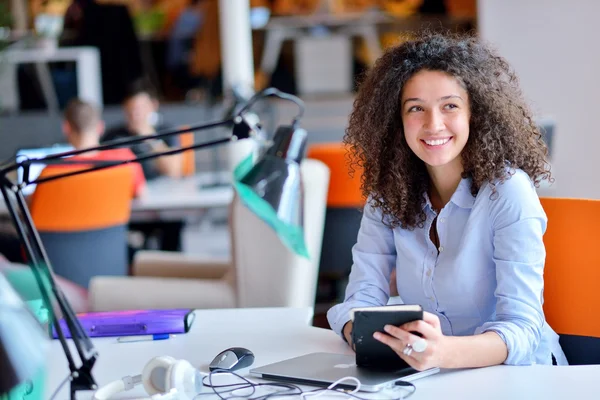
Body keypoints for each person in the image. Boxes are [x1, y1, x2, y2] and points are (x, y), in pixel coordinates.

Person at [327, 33, 567, 370]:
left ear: (475, 113)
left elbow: (523, 329)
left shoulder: (508, 192)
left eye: (450, 105)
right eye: (416, 109)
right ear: (397, 119)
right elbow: (360, 301)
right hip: (432, 375)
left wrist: (442, 353)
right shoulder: (388, 195)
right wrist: (367, 337)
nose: (433, 124)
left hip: (518, 376)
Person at [53, 98, 146, 198]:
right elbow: (140, 195)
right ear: (100, 127)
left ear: (66, 128)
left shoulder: (54, 170)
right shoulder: (125, 160)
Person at [102, 81, 183, 180]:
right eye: (130, 110)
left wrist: (149, 136)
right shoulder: (114, 135)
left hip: (160, 188)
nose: (134, 115)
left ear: (153, 106)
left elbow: (173, 171)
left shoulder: (166, 130)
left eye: (139, 109)